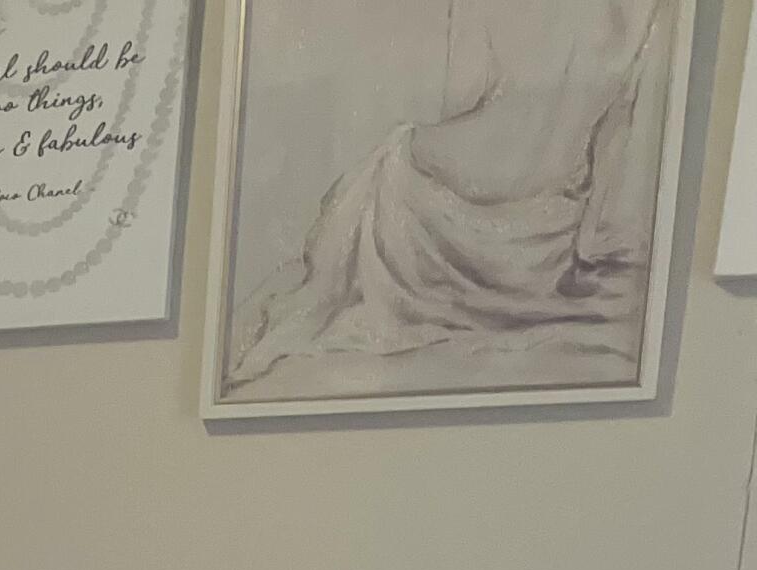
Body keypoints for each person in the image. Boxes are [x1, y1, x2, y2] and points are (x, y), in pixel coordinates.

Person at [226, 0, 674, 400]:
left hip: (473, 174)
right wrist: (581, 242)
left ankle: (341, 284)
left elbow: (467, 88)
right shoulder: (645, 12)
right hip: (549, 229)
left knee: (393, 156)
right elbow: (614, 133)